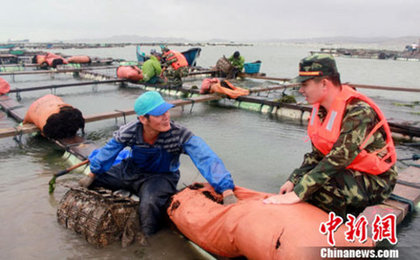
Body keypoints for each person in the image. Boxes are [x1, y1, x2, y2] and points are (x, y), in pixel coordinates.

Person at [79, 91, 237, 238]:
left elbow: (206, 158)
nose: (166, 117)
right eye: (159, 114)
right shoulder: (130, 131)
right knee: (93, 182)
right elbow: (109, 151)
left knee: (149, 206)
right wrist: (93, 173)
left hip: (160, 177)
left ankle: (148, 240)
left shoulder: (179, 134)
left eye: (166, 111)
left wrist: (226, 189)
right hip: (130, 170)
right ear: (143, 119)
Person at [263, 54, 398, 218]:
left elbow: (339, 157)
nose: (301, 90)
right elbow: (317, 154)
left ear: (324, 84)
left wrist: (299, 193)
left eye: (305, 84)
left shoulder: (359, 112)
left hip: (377, 179)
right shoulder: (321, 111)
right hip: (348, 171)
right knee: (300, 184)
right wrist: (294, 179)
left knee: (322, 188)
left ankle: (338, 228)